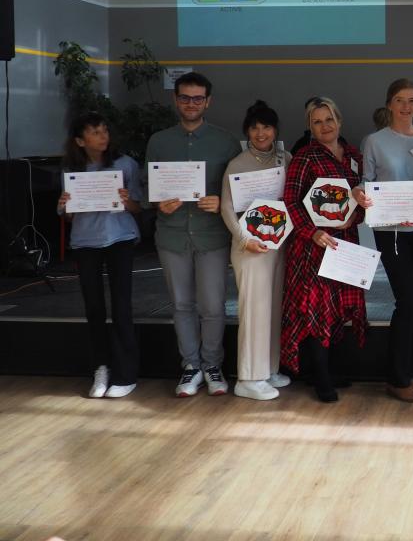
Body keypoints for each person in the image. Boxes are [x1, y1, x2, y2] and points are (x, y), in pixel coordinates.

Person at [146, 72, 241, 397]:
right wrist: (158, 203)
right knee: (181, 305)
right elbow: (148, 188)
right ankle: (191, 366)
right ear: (176, 100)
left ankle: (212, 365)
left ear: (207, 102)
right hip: (172, 236)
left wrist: (220, 200)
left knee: (213, 306)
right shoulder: (159, 142)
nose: (191, 103)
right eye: (185, 97)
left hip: (211, 236)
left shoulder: (226, 141)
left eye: (197, 98)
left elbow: (237, 190)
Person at [281, 96, 366, 402]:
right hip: (314, 246)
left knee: (338, 309)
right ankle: (320, 377)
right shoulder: (304, 157)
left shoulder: (354, 155)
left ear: (339, 121)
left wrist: (359, 211)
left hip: (346, 243)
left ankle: (329, 370)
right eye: (317, 122)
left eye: (329, 119)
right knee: (318, 310)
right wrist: (312, 232)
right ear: (310, 127)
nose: (324, 126)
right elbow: (290, 201)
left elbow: (362, 197)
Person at [353, 79, 413, 403]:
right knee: (407, 300)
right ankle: (397, 378)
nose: (405, 106)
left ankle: (406, 372)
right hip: (390, 230)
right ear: (389, 103)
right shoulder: (374, 141)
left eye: (411, 100)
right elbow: (366, 181)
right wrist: (359, 193)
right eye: (399, 100)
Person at [58, 112, 143, 399]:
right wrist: (66, 205)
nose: (103, 136)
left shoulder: (125, 164)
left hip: (120, 238)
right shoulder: (72, 169)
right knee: (93, 307)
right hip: (85, 242)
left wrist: (126, 200)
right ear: (80, 141)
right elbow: (68, 216)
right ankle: (101, 367)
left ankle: (126, 373)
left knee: (121, 306)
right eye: (95, 132)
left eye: (105, 130)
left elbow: (139, 207)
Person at [220, 100, 292, 401]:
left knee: (272, 309)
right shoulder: (237, 164)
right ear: (247, 132)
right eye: (254, 128)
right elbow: (226, 208)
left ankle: (269, 369)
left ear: (275, 130)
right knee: (254, 310)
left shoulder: (285, 159)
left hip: (278, 245)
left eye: (266, 127)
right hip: (249, 248)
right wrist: (243, 239)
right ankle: (249, 378)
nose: (261, 133)